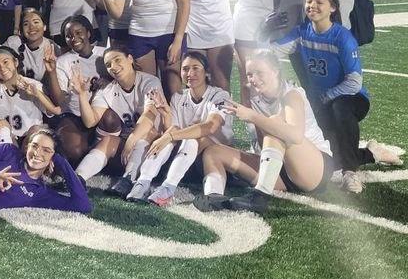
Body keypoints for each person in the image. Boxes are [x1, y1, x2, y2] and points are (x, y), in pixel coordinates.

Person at [271, 0, 401, 192]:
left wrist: (328, 96)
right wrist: (260, 34)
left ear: (332, 7)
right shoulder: (302, 33)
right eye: (309, 1)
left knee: (339, 109)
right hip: (320, 103)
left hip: (351, 99)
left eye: (319, 2)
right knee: (327, 158)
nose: (312, 5)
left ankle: (351, 173)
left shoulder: (342, 37)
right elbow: (271, 51)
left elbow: (354, 82)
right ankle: (371, 154)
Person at [194, 50, 335, 213]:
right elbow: (264, 145)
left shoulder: (291, 94)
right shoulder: (256, 99)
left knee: (274, 123)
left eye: (260, 72)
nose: (254, 79)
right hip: (280, 170)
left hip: (314, 169)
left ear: (275, 71)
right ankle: (213, 196)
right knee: (213, 152)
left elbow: (295, 136)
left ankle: (259, 197)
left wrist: (253, 116)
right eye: (250, 74)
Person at [119, 52, 233, 205]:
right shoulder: (179, 97)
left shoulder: (220, 95)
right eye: (185, 69)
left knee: (189, 137)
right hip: (185, 159)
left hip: (213, 157)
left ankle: (167, 189)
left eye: (196, 68)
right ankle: (143, 182)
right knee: (171, 135)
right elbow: (173, 129)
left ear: (206, 72)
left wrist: (170, 136)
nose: (190, 74)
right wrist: (166, 114)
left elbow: (210, 127)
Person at [75, 48, 164, 181]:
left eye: (117, 60)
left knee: (148, 131)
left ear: (130, 59)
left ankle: (127, 179)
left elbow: (150, 115)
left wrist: (131, 140)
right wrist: (81, 95)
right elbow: (90, 121)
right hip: (128, 149)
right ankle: (78, 178)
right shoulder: (108, 89)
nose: (114, 67)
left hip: (156, 145)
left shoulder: (150, 81)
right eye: (108, 65)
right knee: (108, 140)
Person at [46, 15, 106, 164]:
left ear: (89, 33)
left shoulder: (104, 54)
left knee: (111, 121)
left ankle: (101, 148)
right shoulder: (63, 61)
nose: (74, 38)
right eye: (69, 36)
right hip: (74, 114)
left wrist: (108, 80)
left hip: (102, 113)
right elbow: (59, 100)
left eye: (79, 33)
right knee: (74, 151)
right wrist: (51, 72)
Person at [0, 47, 61, 146]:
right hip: (7, 138)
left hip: (32, 138)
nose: (2, 68)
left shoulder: (32, 84)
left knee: (36, 130)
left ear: (16, 62)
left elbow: (52, 111)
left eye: (6, 62)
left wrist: (37, 94)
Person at [4, 7, 58, 82]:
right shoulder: (13, 42)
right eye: (26, 24)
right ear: (21, 30)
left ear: (44, 27)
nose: (31, 27)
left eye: (36, 22)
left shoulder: (53, 47)